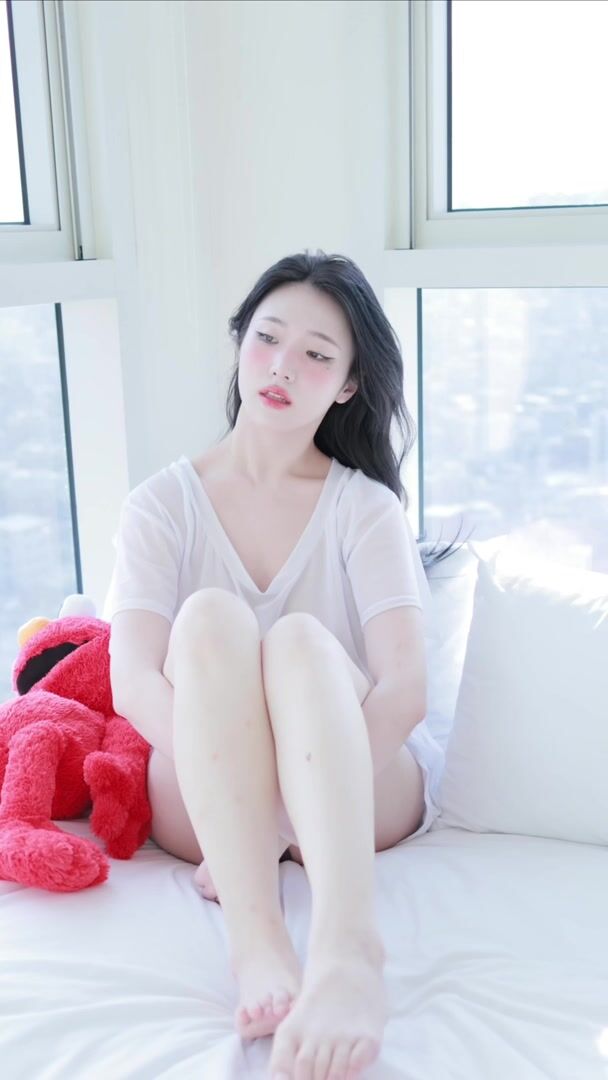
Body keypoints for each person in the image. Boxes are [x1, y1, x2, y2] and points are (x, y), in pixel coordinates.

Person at [106, 250, 458, 1080]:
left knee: (300, 643)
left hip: (359, 777)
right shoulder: (161, 505)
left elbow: (405, 690)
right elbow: (133, 683)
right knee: (209, 619)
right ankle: (256, 943)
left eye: (316, 354)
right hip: (201, 792)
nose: (281, 367)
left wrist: (283, 814)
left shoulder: (364, 507)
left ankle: (346, 949)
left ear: (348, 386)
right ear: (239, 343)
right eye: (267, 338)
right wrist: (245, 803)